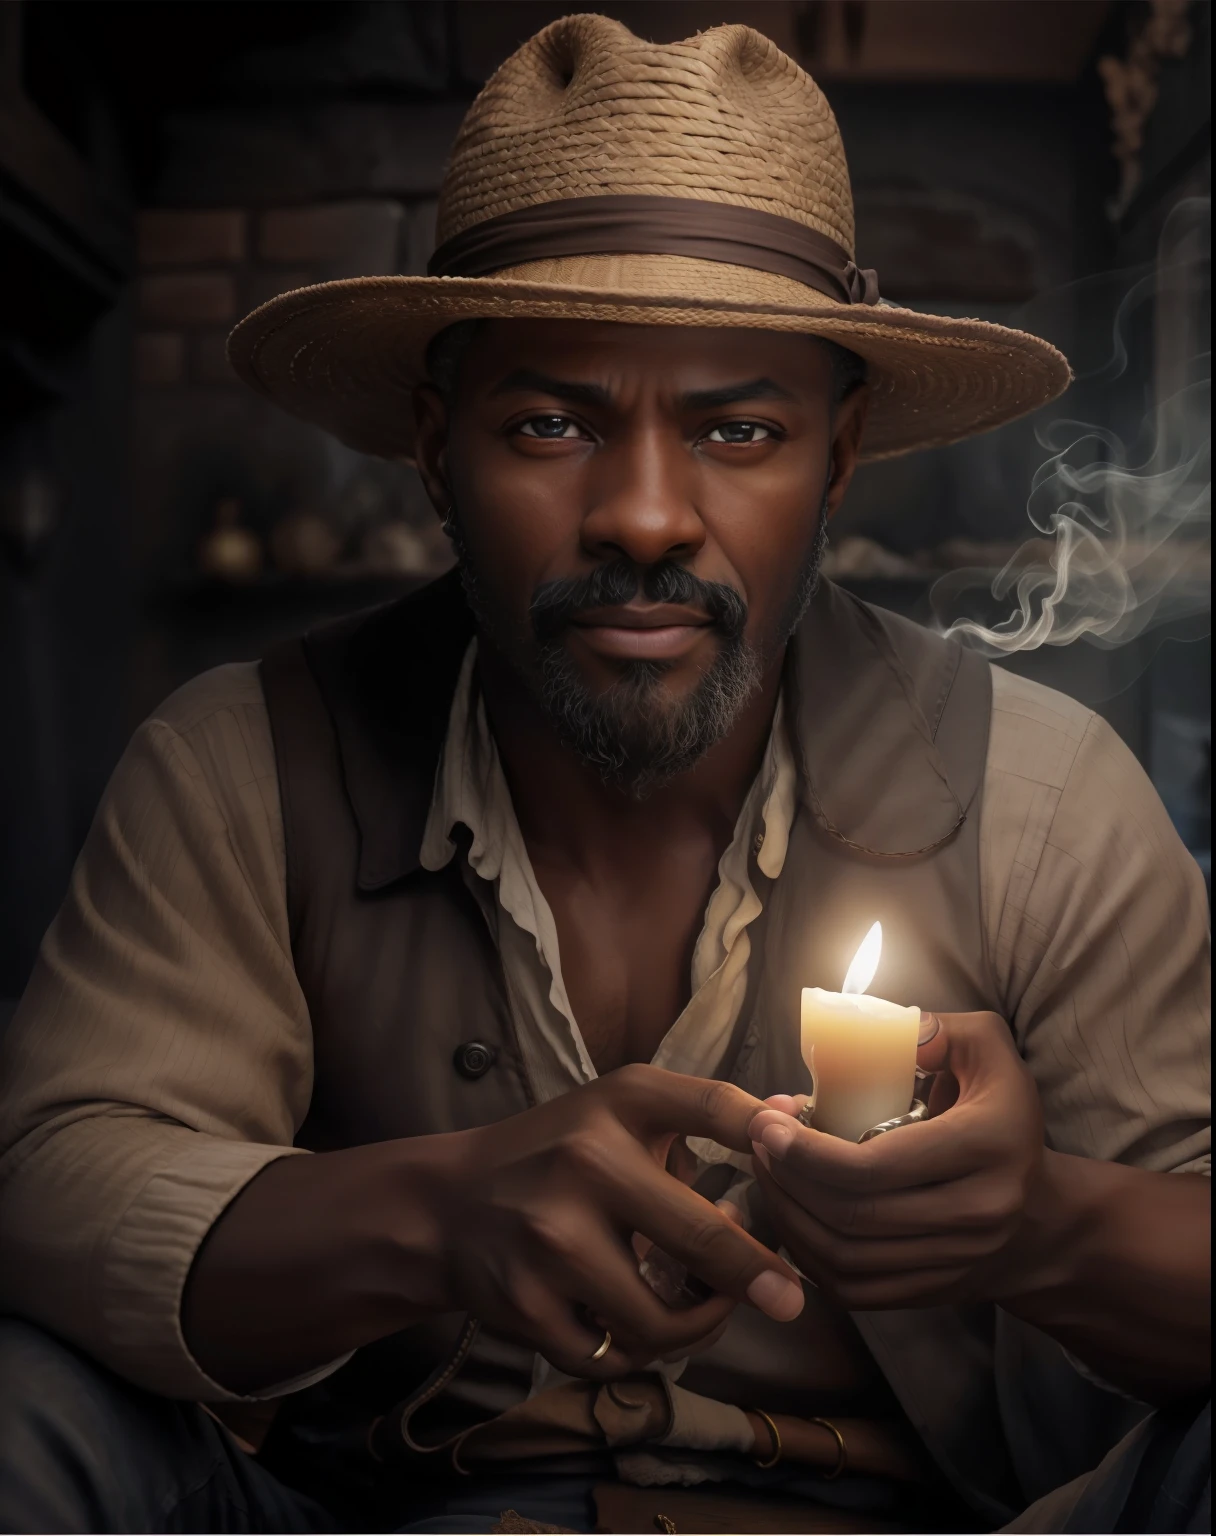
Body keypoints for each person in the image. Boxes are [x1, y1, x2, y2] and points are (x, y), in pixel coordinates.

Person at [0, 15, 1209, 1535]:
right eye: (552, 421)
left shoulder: (1044, 799)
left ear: (837, 464)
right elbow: (48, 1184)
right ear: (436, 449)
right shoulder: (242, 760)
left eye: (741, 429)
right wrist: (430, 1216)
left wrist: (1039, 1228)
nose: (645, 514)